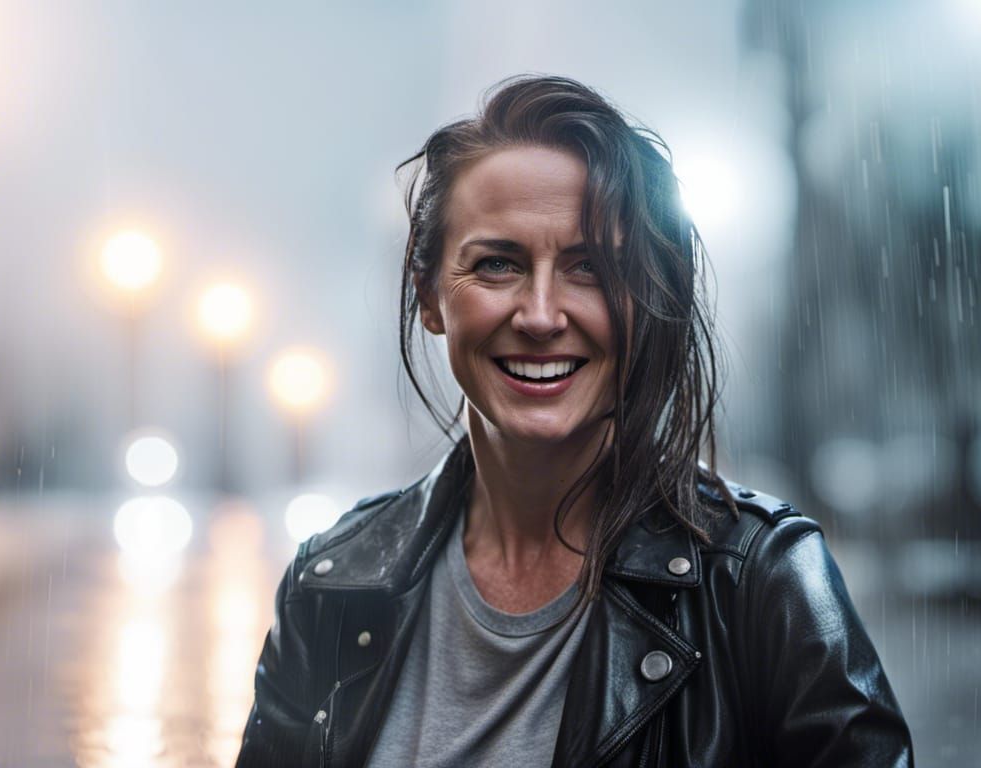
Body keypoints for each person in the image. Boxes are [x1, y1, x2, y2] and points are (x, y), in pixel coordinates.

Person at [236, 75, 913, 767]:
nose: (539, 314)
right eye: (497, 264)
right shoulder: (332, 583)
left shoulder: (759, 580)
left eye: (590, 267)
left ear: (645, 301)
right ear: (431, 296)